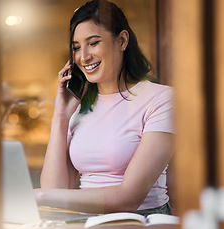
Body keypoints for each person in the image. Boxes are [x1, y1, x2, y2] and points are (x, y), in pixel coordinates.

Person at [35, 0, 174, 216]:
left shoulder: (161, 99)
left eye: (93, 43)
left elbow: (129, 198)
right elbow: (55, 191)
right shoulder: (78, 111)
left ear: (122, 40)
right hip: (87, 225)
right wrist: (60, 117)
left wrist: (40, 196)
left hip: (140, 224)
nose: (83, 57)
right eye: (76, 48)